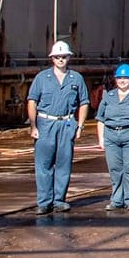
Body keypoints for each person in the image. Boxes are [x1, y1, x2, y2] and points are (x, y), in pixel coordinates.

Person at [27, 41, 88, 215]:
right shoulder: (42, 78)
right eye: (57, 57)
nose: (61, 59)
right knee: (43, 165)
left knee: (63, 164)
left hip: (67, 124)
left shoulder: (76, 78)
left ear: (69, 58)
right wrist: (33, 126)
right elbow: (32, 101)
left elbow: (84, 103)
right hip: (45, 124)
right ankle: (44, 201)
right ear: (52, 59)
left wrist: (80, 126)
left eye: (64, 56)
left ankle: (59, 200)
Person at [96, 63, 129, 211]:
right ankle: (116, 200)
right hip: (111, 136)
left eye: (125, 78)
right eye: (119, 78)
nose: (122, 81)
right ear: (115, 79)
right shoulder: (109, 96)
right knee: (115, 169)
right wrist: (101, 139)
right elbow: (100, 119)